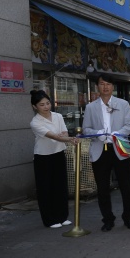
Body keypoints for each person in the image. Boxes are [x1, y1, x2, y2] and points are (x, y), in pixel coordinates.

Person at [82, 73, 130, 232]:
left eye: (108, 84)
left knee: (126, 186)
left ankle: (128, 218)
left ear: (113, 86)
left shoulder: (123, 104)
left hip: (119, 148)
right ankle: (107, 219)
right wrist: (99, 133)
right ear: (97, 86)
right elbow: (86, 129)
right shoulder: (91, 107)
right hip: (100, 150)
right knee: (103, 188)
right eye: (102, 84)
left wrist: (116, 134)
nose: (105, 87)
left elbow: (129, 125)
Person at [30, 90, 77, 228]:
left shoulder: (57, 116)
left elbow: (64, 133)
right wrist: (68, 138)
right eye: (42, 104)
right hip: (43, 157)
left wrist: (65, 136)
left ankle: (62, 216)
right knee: (46, 188)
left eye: (48, 103)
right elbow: (55, 136)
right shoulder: (35, 122)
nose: (46, 107)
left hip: (58, 153)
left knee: (61, 186)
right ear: (35, 107)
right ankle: (49, 219)